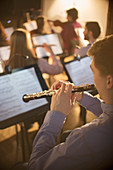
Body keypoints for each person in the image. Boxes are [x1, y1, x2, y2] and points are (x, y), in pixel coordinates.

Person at [28, 34, 113, 170]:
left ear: (109, 81)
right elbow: (109, 112)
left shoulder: (86, 138)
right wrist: (82, 96)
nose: (92, 77)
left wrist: (56, 114)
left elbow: (35, 166)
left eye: (93, 72)